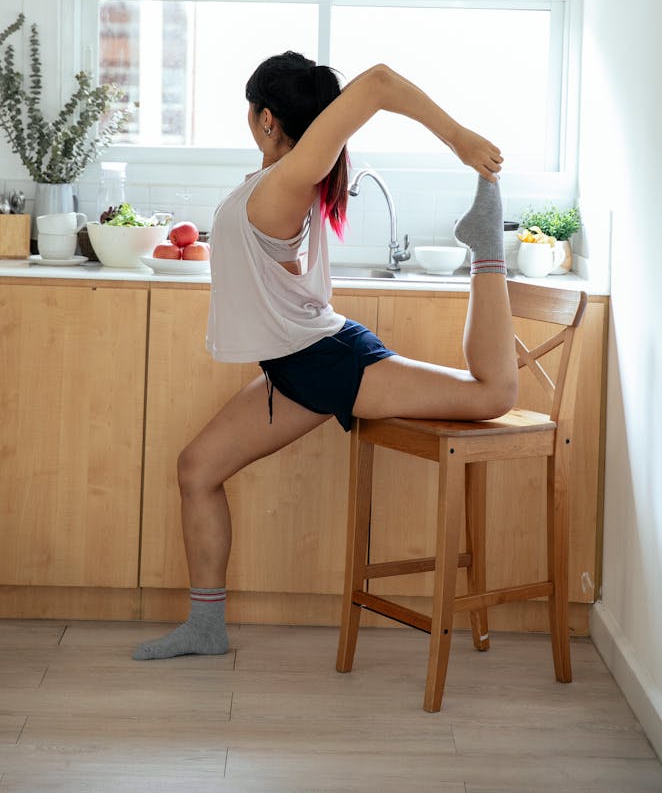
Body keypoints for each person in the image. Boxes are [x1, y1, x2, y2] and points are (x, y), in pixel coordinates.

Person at [133, 52, 518, 661]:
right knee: (197, 470)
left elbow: (383, 81)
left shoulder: (288, 182)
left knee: (494, 395)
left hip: (328, 362)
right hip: (293, 368)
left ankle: (485, 244)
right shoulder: (280, 184)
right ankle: (206, 628)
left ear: (265, 119)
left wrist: (460, 140)